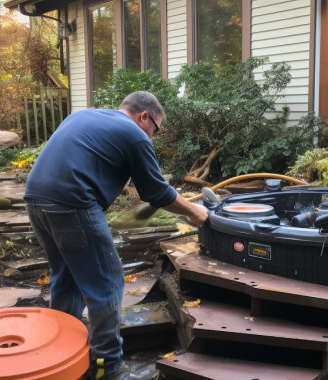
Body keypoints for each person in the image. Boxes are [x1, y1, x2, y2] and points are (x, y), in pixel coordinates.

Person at [24, 91, 208, 380]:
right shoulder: (134, 133)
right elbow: (156, 193)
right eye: (155, 130)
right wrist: (196, 213)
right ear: (143, 117)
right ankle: (107, 368)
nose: (153, 137)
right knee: (107, 284)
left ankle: (61, 360)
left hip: (35, 199)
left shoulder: (85, 115)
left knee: (66, 278)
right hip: (72, 204)